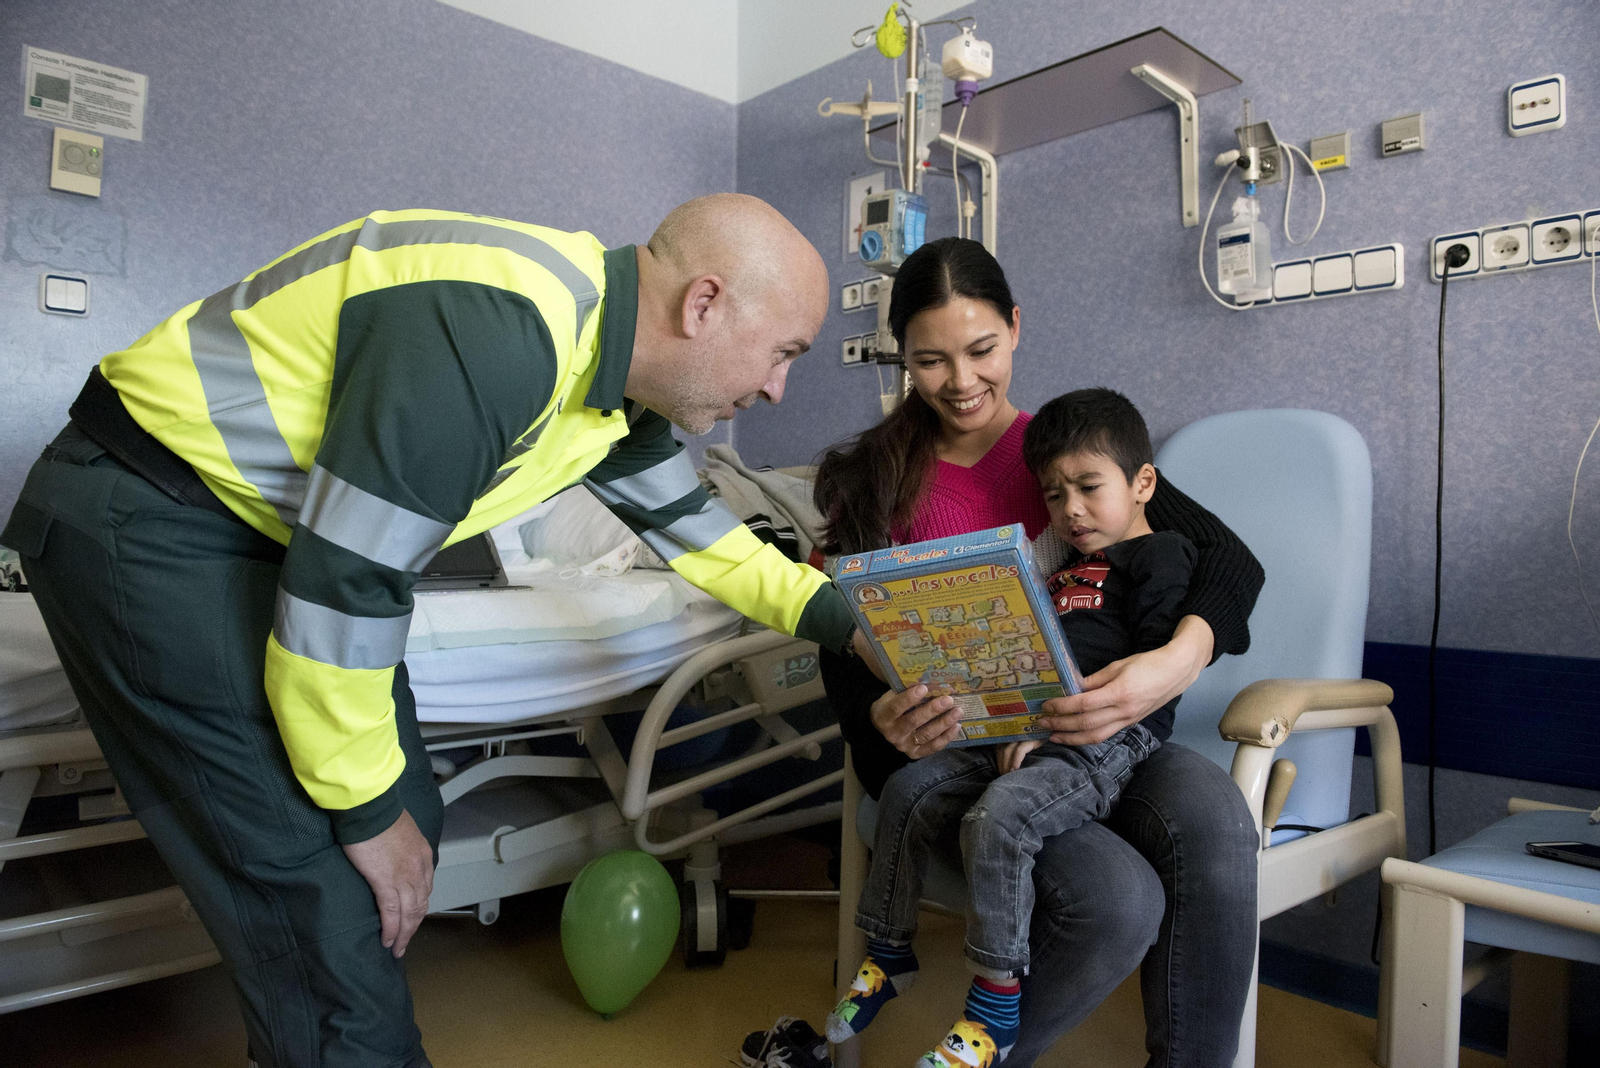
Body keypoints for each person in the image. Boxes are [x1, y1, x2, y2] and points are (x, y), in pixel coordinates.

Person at [0, 194, 875, 1068]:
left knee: (402, 805)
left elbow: (708, 541)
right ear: (704, 304)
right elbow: (344, 590)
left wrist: (853, 626)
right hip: (145, 507)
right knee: (330, 894)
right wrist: (364, 810)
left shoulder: (610, 386)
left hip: (251, 530)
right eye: (784, 354)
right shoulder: (503, 330)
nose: (775, 388)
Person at [813, 237, 1265, 1068]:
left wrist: (1176, 660)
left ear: (1016, 329)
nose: (961, 381)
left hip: (1098, 729)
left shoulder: (1069, 451)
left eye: (982, 350)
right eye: (929, 361)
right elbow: (838, 634)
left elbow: (1229, 562)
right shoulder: (872, 478)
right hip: (962, 749)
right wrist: (876, 715)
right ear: (901, 362)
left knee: (1215, 820)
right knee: (1116, 902)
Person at [826, 388, 1198, 1068]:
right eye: (1055, 496)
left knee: (998, 816)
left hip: (1097, 740)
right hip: (1018, 724)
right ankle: (888, 953)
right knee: (907, 791)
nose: (1072, 510)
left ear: (1143, 483)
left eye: (1089, 488)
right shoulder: (1060, 559)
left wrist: (1058, 732)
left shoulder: (1162, 555)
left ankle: (994, 1005)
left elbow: (1150, 678)